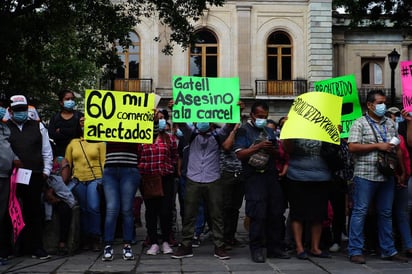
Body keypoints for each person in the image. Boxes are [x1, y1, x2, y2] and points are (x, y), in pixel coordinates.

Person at [347, 90, 408, 264]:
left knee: (386, 213)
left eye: (384, 102)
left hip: (386, 175)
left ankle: (388, 250)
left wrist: (402, 171)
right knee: (360, 211)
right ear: (369, 105)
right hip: (365, 174)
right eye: (380, 102)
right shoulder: (359, 123)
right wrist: (377, 146)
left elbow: (397, 149)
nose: (383, 106)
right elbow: (352, 147)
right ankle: (355, 250)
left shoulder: (390, 123)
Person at [171, 116, 234, 260]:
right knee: (189, 213)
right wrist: (176, 109)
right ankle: (186, 245)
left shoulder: (218, 135)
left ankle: (219, 246)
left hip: (213, 179)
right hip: (193, 178)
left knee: (217, 214)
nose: (204, 122)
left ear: (212, 124)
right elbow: (181, 124)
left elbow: (229, 126)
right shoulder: (191, 133)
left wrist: (237, 110)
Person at [234, 100, 288, 263]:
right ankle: (256, 249)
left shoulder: (269, 131)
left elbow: (278, 153)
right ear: (252, 115)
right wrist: (257, 147)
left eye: (265, 116)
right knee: (257, 213)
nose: (262, 119)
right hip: (253, 177)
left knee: (276, 212)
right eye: (259, 116)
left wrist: (273, 150)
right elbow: (240, 154)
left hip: (270, 175)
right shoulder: (244, 131)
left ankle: (274, 247)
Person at [6, 95, 53, 260]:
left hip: (34, 175)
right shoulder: (4, 128)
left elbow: (46, 150)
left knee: (33, 212)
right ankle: (8, 249)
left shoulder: (39, 126)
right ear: (10, 111)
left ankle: (36, 248)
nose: (21, 113)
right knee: (8, 211)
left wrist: (46, 171)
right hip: (10, 177)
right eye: (17, 110)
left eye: (23, 110)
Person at [138, 110, 177, 256]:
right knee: (151, 211)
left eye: (161, 119)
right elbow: (138, 156)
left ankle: (166, 240)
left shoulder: (170, 139)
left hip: (165, 177)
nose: (159, 121)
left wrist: (169, 169)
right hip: (148, 178)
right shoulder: (142, 138)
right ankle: (154, 241)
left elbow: (174, 156)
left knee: (166, 211)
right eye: (157, 118)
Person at [65, 117, 106, 253]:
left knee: (93, 207)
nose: (84, 124)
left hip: (95, 179)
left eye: (86, 121)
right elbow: (67, 163)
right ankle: (86, 239)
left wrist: (103, 180)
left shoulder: (100, 142)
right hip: (78, 180)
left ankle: (96, 237)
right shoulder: (73, 143)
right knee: (83, 209)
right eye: (81, 122)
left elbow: (104, 162)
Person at [43, 140, 77, 256]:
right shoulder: (38, 161)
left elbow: (64, 180)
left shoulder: (61, 161)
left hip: (59, 194)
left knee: (65, 210)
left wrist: (52, 193)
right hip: (43, 193)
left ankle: (62, 242)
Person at [386, 107, 412, 257]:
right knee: (387, 212)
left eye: (396, 115)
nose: (393, 118)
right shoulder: (395, 131)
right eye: (391, 115)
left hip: (403, 177)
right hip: (389, 177)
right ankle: (390, 246)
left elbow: (402, 153)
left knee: (402, 211)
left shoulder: (399, 133)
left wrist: (403, 174)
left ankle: (407, 244)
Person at [0, 98, 15, 262]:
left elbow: (8, 149)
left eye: (3, 107)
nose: (2, 110)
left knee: (2, 213)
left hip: (5, 175)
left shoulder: (4, 127)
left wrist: (15, 158)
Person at [48, 89, 84, 157]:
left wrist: (61, 130)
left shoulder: (80, 116)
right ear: (61, 102)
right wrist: (75, 129)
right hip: (60, 155)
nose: (70, 101)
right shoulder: (55, 118)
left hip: (78, 154)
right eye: (67, 99)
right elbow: (52, 135)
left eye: (72, 99)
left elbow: (82, 134)